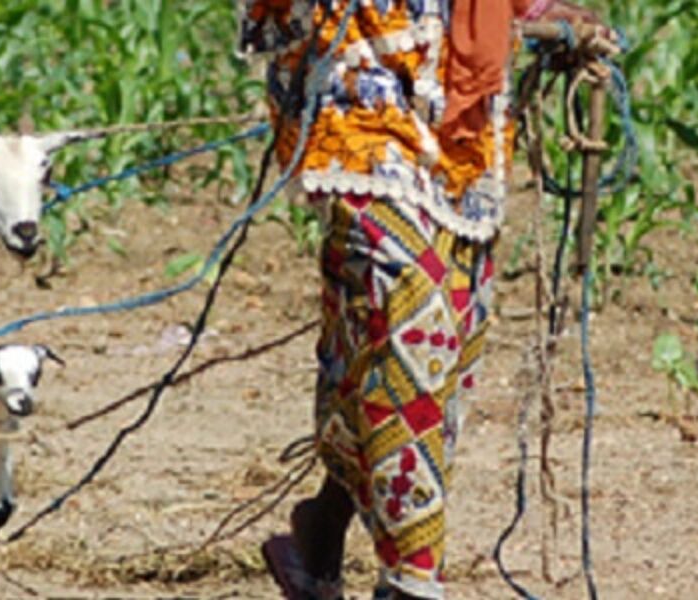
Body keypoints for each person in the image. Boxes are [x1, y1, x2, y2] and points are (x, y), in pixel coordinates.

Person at [235, 0, 601, 598]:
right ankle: (411, 579)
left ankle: (322, 525)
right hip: (358, 87)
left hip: (463, 112)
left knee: (446, 339)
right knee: (410, 318)